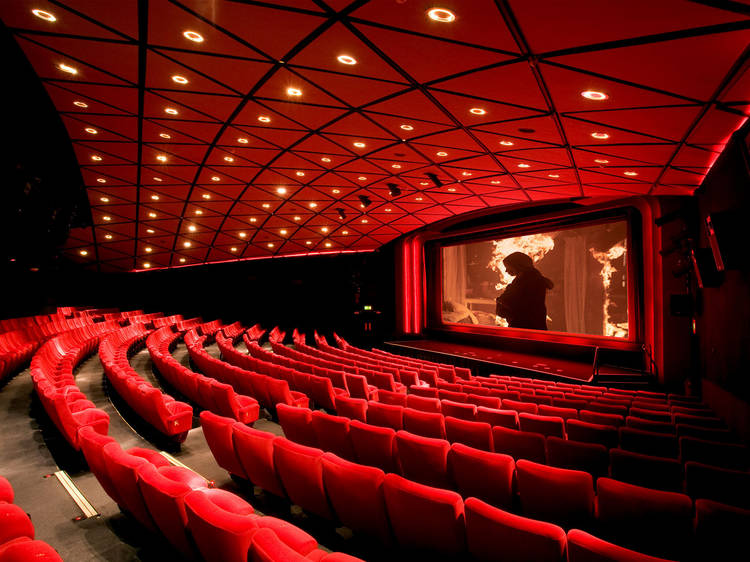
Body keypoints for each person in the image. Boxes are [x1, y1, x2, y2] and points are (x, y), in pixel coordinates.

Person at [495, 252, 554, 330]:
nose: (506, 271)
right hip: (531, 327)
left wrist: (500, 301)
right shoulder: (532, 280)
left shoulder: (526, 282)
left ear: (517, 265)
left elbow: (512, 305)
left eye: (508, 267)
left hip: (524, 328)